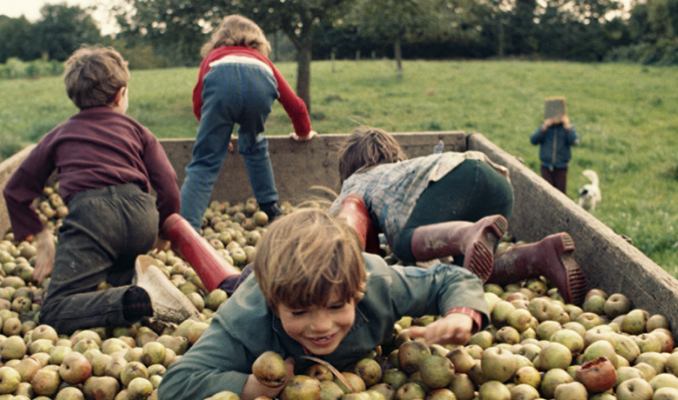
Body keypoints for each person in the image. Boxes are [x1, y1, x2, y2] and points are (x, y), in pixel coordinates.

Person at [156, 208, 489, 400]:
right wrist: (249, 386)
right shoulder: (245, 322)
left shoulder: (379, 285)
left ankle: (355, 201)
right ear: (274, 306)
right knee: (224, 280)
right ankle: (178, 226)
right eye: (299, 313)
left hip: (332, 274)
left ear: (357, 292)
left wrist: (461, 313)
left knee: (348, 227)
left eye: (335, 308)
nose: (321, 326)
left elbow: (449, 278)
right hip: (249, 284)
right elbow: (176, 383)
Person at [2, 46, 199, 335]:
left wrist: (43, 237)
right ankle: (135, 283)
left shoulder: (58, 135)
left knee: (54, 309)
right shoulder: (138, 131)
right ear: (120, 94)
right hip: (141, 215)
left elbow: (15, 191)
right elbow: (168, 185)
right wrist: (161, 231)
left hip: (92, 219)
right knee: (114, 267)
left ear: (74, 97)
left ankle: (134, 300)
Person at [328, 127, 586, 305]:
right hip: (494, 180)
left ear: (350, 168)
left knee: (404, 244)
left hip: (455, 179)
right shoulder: (406, 173)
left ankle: (467, 234)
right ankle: (540, 256)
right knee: (472, 271)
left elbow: (338, 222)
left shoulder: (358, 180)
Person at [179, 14, 318, 232]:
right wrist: (304, 132)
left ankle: (187, 228)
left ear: (221, 38)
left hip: (221, 84)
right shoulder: (263, 62)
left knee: (205, 163)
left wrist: (214, 136)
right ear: (258, 41)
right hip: (259, 87)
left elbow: (199, 100)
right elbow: (295, 104)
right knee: (254, 144)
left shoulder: (213, 57)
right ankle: (270, 207)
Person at [530, 103, 580, 195]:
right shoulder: (545, 129)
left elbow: (575, 142)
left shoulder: (566, 129)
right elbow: (533, 140)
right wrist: (544, 127)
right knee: (546, 192)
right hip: (546, 166)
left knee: (560, 193)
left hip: (561, 167)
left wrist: (567, 127)